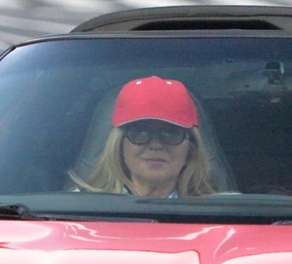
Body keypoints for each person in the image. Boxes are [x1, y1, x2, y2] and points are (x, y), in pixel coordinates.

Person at [73, 75, 217, 200]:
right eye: (140, 133)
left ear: (191, 148)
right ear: (119, 145)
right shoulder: (73, 210)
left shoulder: (222, 214)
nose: (155, 145)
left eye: (171, 133)